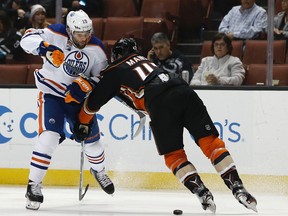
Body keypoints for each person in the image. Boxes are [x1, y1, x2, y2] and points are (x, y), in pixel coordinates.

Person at [70, 38, 257, 213]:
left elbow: (91, 105)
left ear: (116, 55)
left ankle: (203, 193)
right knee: (211, 143)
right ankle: (238, 188)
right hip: (184, 90)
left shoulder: (115, 70)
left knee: (174, 156)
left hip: (160, 102)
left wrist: (82, 124)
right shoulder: (145, 61)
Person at [20, 9, 114, 210]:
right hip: (52, 94)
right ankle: (33, 185)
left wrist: (86, 85)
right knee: (49, 137)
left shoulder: (97, 49)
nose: (84, 37)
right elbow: (25, 39)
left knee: (93, 144)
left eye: (87, 33)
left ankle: (99, 171)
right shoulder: (55, 32)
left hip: (79, 100)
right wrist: (45, 49)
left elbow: (103, 78)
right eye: (79, 33)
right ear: (70, 31)